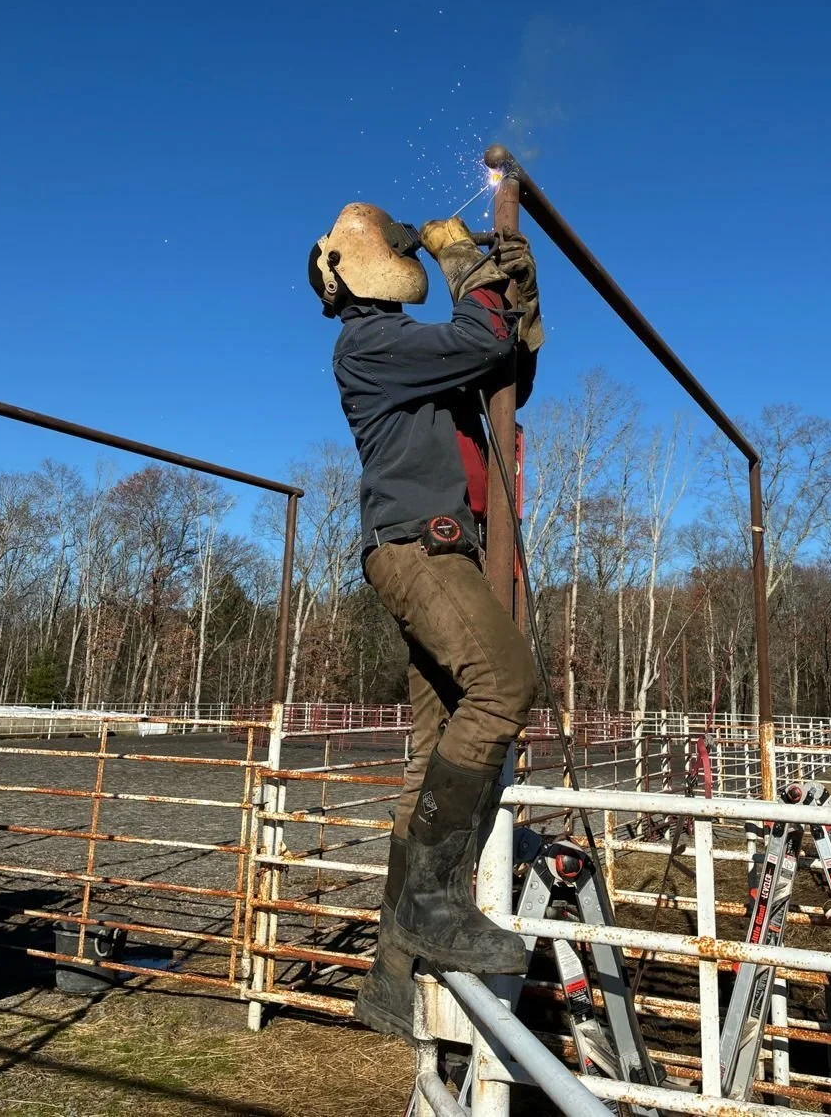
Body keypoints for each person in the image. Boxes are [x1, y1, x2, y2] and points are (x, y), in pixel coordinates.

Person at [308, 203, 543, 1041]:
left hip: (437, 551)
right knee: (506, 681)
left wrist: (508, 291)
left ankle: (391, 980)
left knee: (434, 746)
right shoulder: (371, 343)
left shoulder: (415, 355)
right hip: (420, 550)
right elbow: (478, 344)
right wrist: (466, 266)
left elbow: (498, 363)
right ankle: (436, 904)